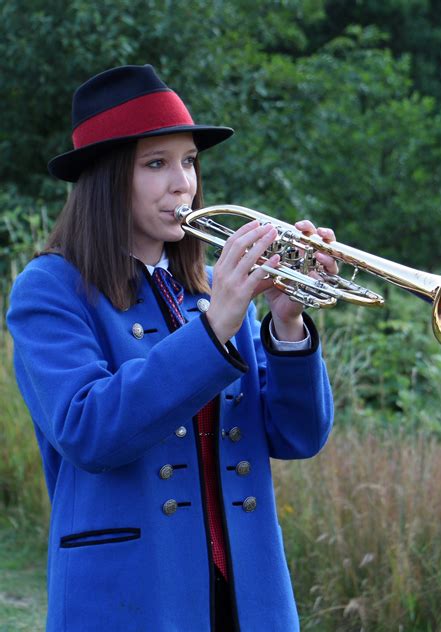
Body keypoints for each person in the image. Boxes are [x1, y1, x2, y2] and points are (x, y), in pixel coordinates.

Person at [7, 64, 336, 632]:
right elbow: (89, 429)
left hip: (248, 593)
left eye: (189, 161)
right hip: (130, 593)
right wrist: (214, 331)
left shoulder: (209, 289)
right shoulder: (50, 288)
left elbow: (296, 437)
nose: (182, 182)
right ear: (108, 177)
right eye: (156, 163)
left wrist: (286, 325)